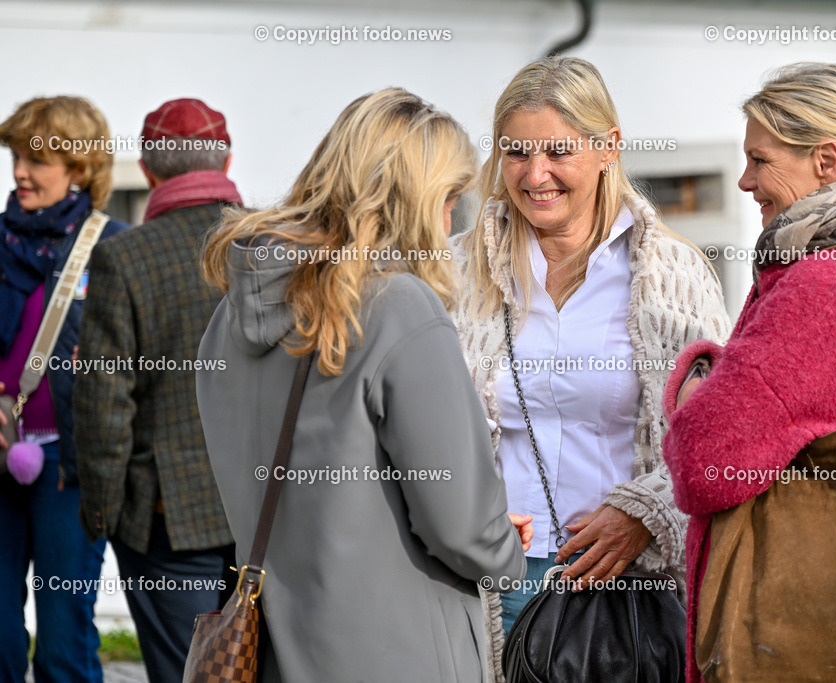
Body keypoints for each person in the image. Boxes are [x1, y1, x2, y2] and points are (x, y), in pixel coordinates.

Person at [196, 88, 531, 682]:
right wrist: (505, 550)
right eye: (449, 197)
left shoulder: (229, 317)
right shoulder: (397, 306)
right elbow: (463, 526)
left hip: (281, 650)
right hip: (399, 653)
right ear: (412, 199)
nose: (452, 219)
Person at [661, 62, 836, 682]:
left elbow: (702, 462)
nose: (744, 181)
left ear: (825, 160)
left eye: (760, 160)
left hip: (790, 635)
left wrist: (698, 371)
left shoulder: (823, 282)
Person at [449, 56, 732, 680]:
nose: (535, 174)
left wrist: (645, 512)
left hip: (626, 588)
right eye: (516, 152)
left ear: (609, 148)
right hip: (489, 581)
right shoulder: (458, 274)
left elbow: (715, 433)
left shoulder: (673, 278)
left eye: (557, 151)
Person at [73, 98, 243, 683]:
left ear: (148, 171)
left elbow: (103, 401)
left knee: (185, 672)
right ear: (226, 158)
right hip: (278, 508)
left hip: (169, 516)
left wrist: (100, 512)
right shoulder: (282, 243)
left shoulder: (124, 256)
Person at [0, 96, 129, 682]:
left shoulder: (115, 247)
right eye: (16, 157)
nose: (20, 171)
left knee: (62, 639)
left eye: (37, 159)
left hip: (67, 471)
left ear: (79, 168)